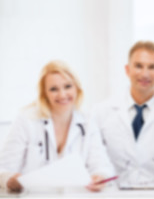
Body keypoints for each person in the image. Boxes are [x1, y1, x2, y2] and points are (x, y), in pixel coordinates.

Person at [0, 60, 116, 192]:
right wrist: (10, 180)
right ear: (44, 94)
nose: (62, 94)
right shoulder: (26, 121)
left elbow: (102, 165)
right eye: (53, 89)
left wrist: (99, 177)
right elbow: (3, 169)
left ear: (77, 88)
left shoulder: (88, 121)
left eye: (68, 86)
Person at [92, 41, 154, 188]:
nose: (144, 73)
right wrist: (98, 175)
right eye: (138, 66)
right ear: (127, 70)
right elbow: (94, 156)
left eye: (152, 67)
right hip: (113, 194)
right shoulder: (101, 112)